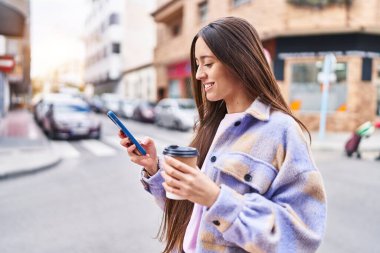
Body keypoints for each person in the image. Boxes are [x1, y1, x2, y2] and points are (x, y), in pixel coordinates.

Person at [119, 16, 326, 253]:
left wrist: (217, 200)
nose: (198, 75)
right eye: (197, 64)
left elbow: (302, 236)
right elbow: (191, 214)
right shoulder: (211, 127)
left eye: (207, 64)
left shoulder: (281, 131)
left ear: (239, 62)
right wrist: (154, 169)